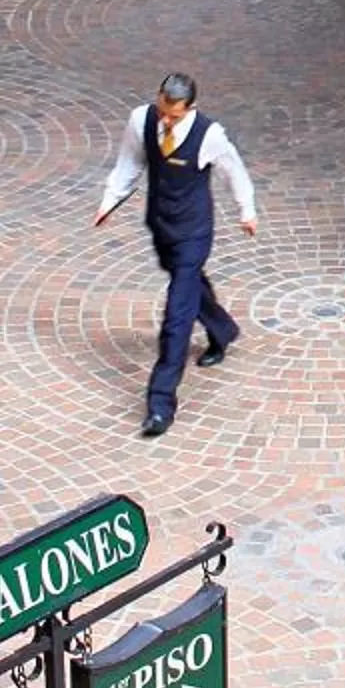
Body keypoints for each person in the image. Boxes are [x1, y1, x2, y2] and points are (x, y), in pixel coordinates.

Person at [95, 71, 257, 438]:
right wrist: (109, 201)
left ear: (191, 108)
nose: (166, 120)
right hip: (161, 224)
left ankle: (160, 404)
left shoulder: (209, 135)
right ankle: (223, 330)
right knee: (189, 288)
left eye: (176, 116)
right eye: (163, 112)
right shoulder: (142, 119)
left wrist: (246, 210)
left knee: (176, 316)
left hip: (194, 231)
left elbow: (234, 171)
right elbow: (130, 162)